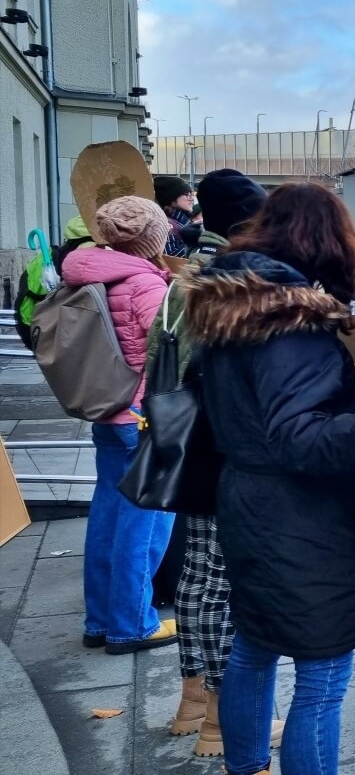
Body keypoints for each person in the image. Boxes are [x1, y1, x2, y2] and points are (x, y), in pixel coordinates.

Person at [183, 182, 355, 775]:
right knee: (322, 676)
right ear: (325, 239)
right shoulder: (292, 319)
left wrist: (334, 383)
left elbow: (260, 406)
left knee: (254, 646)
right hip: (299, 520)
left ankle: (248, 765)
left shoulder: (238, 302)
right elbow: (297, 438)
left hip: (250, 504)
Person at [149, 170, 274, 757]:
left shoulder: (183, 274)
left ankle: (193, 703)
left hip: (184, 438)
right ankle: (223, 721)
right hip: (222, 443)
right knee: (224, 580)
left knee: (198, 575)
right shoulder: (232, 279)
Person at [63, 196, 175, 655]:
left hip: (106, 411)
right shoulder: (144, 284)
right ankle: (132, 623)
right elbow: (172, 348)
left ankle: (100, 620)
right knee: (145, 521)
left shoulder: (85, 273)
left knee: (107, 513)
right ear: (151, 240)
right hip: (140, 414)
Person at [154, 175, 196, 258]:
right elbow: (169, 259)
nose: (191, 198)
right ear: (172, 199)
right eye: (187, 194)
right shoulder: (167, 226)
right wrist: (194, 244)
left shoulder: (185, 222)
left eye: (191, 194)